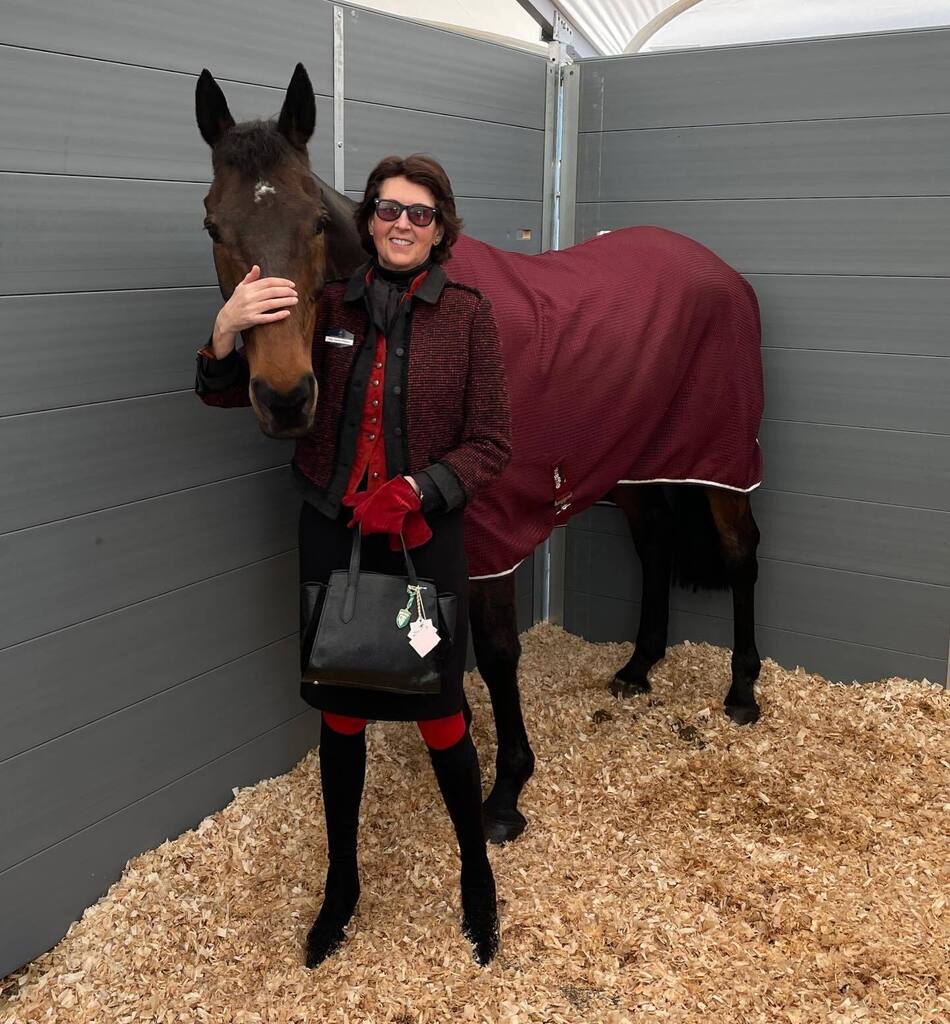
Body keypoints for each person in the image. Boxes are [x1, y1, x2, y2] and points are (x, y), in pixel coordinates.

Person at [194, 154, 512, 967]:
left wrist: (422, 488)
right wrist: (226, 329)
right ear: (366, 220)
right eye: (387, 209)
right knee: (340, 713)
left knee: (442, 715)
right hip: (332, 534)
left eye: (419, 213)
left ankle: (477, 874)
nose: (401, 223)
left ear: (442, 228)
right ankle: (342, 885)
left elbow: (492, 445)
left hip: (420, 542)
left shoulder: (470, 315)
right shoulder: (326, 302)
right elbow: (227, 390)